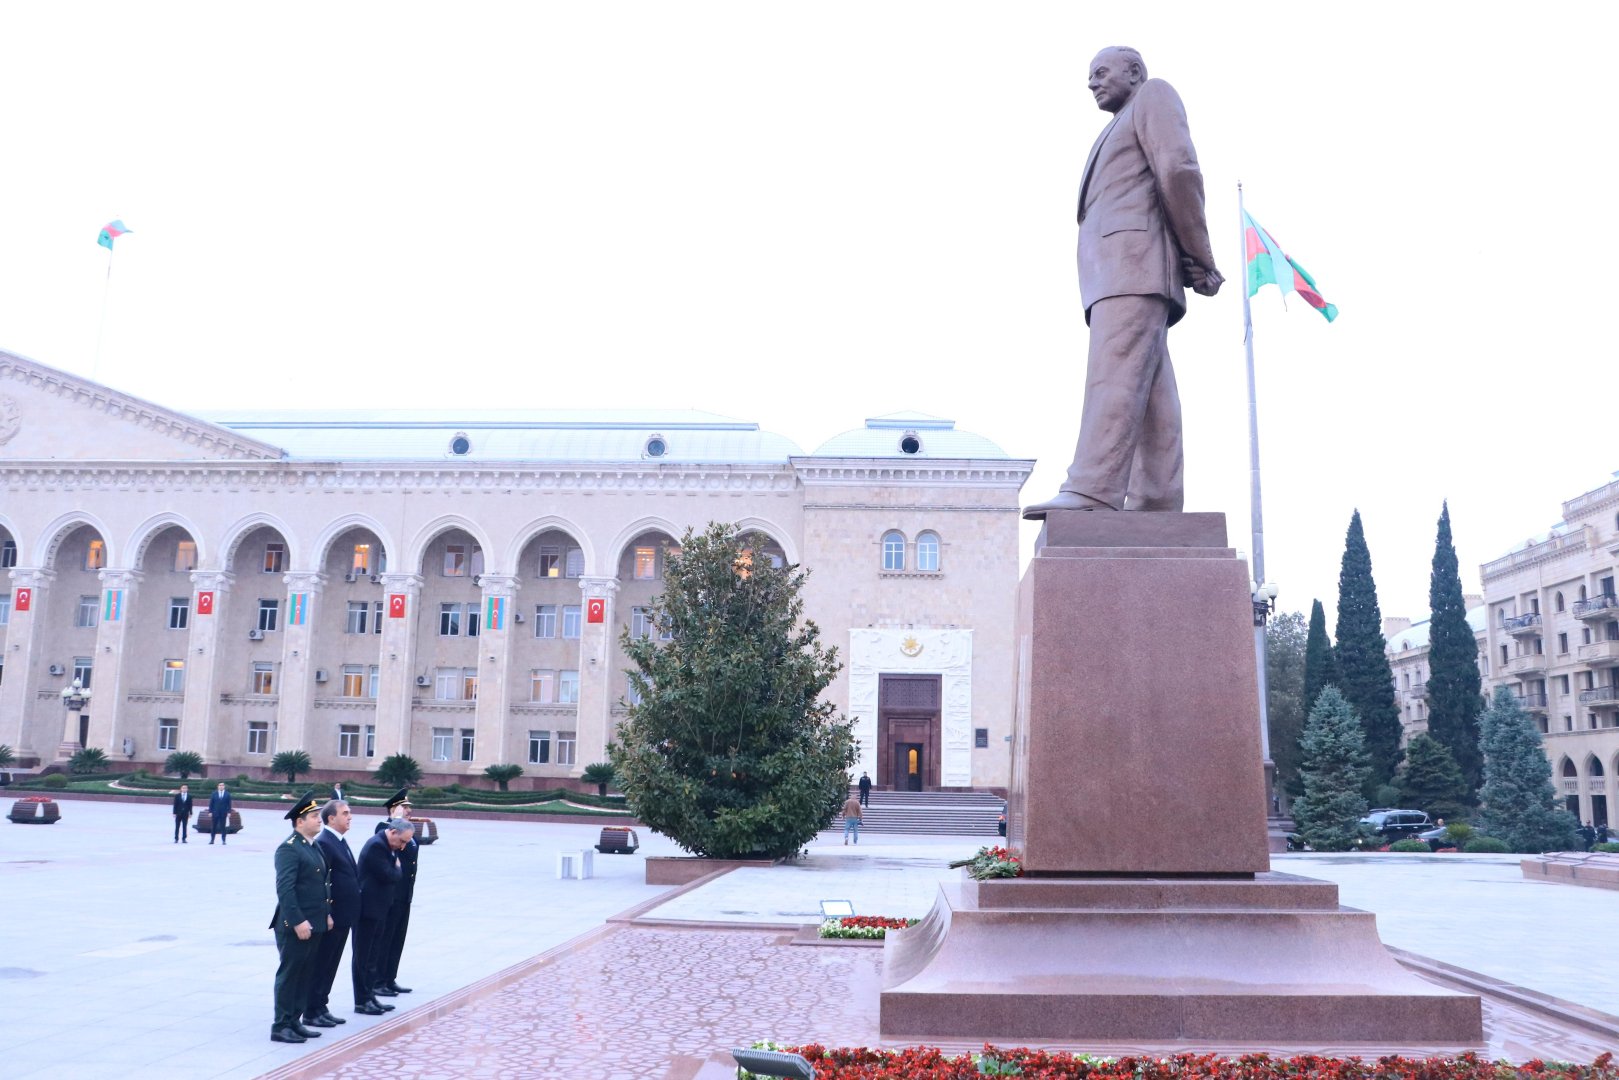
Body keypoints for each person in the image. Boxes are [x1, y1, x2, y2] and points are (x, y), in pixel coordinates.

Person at [1023, 46, 1222, 519]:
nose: (1091, 83)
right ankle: (1156, 498)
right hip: (1117, 271)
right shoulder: (1119, 122)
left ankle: (1091, 490)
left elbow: (1179, 171)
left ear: (1134, 72)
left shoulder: (1154, 95)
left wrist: (1201, 257)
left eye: (1100, 73)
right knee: (1150, 390)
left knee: (1113, 374)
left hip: (1134, 264)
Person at [269, 791, 332, 1044]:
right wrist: (297, 921)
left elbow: (322, 884)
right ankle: (281, 1025)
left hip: (314, 922)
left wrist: (325, 915)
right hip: (295, 924)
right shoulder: (289, 849)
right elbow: (285, 889)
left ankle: (295, 1020)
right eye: (315, 817)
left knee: (305, 973)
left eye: (319, 816)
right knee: (290, 974)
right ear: (299, 822)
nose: (320, 820)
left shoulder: (313, 846)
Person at [305, 799, 358, 1030]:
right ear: (331, 818)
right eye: (345, 813)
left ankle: (321, 1006)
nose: (350, 817)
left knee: (331, 964)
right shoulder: (325, 842)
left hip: (343, 915)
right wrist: (327, 913)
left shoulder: (340, 841)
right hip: (332, 916)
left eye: (350, 813)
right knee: (321, 964)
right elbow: (322, 882)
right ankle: (311, 1010)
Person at [354, 816, 413, 1015]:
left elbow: (395, 874)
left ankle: (371, 996)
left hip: (379, 908)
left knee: (373, 956)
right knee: (364, 957)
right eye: (402, 841)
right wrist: (396, 869)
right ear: (393, 832)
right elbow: (391, 875)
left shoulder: (389, 846)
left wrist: (396, 868)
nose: (403, 846)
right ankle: (362, 1000)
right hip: (368, 910)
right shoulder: (377, 846)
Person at [374, 789, 417, 998]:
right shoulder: (383, 829)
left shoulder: (408, 830)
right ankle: (378, 981)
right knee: (385, 939)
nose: (409, 811)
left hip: (404, 895)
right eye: (404, 807)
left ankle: (390, 978)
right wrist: (396, 819)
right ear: (393, 809)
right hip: (390, 896)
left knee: (397, 938)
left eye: (409, 807)